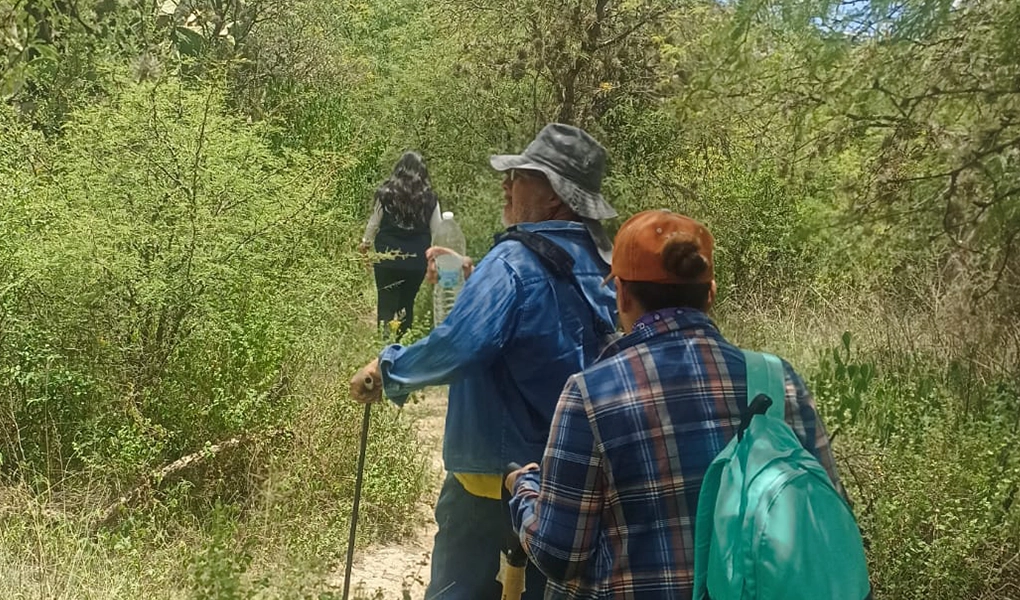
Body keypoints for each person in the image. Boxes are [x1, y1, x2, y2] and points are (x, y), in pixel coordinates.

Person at [504, 210, 847, 600]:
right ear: (711, 293)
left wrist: (525, 490)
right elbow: (826, 513)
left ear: (623, 294)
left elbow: (560, 554)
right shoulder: (778, 380)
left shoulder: (590, 394)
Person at [350, 124, 620, 600]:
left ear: (555, 196)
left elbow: (464, 343)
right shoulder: (611, 265)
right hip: (576, 483)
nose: (507, 183)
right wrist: (473, 278)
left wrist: (388, 368)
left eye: (520, 175)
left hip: (494, 482)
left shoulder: (513, 261)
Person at [360, 151, 443, 338]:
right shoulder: (430, 198)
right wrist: (434, 259)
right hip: (416, 261)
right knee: (407, 304)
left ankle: (383, 347)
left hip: (387, 258)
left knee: (386, 304)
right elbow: (437, 231)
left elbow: (374, 223)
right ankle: (403, 349)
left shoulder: (385, 193)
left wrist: (365, 245)